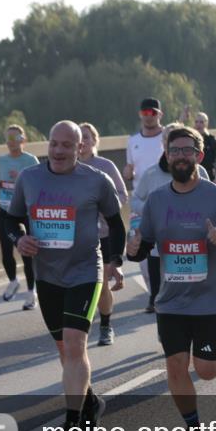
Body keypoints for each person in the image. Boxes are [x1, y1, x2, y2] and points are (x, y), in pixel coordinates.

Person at [127, 126, 216, 431]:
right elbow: (144, 244)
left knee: (206, 370)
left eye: (187, 151)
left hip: (210, 298)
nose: (180, 156)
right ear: (167, 156)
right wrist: (134, 250)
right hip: (171, 300)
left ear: (199, 155)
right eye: (175, 151)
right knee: (176, 365)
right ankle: (193, 429)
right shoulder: (156, 200)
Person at [5, 121, 126, 431]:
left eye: (67, 145)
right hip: (47, 276)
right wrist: (19, 239)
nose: (58, 151)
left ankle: (72, 427)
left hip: (85, 272)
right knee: (65, 350)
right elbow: (10, 218)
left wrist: (115, 260)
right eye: (54, 144)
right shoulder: (29, 178)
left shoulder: (96, 181)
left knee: (74, 345)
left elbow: (116, 224)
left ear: (80, 148)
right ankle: (90, 402)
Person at [132, 125, 211, 319]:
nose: (179, 153)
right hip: (161, 241)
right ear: (165, 147)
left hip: (191, 241)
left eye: (185, 148)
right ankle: (157, 304)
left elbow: (209, 199)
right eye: (172, 145)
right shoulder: (151, 174)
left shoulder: (200, 171)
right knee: (161, 287)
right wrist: (151, 211)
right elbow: (135, 199)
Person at [79, 123, 129, 345]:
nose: (83, 141)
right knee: (82, 284)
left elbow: (122, 194)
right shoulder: (67, 167)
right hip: (77, 236)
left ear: (95, 140)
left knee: (101, 284)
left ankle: (106, 326)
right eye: (79, 137)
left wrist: (104, 207)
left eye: (87, 137)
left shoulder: (105, 166)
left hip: (104, 233)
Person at [123, 97, 168, 312]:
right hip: (141, 203)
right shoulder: (133, 141)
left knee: (166, 251)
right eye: (145, 113)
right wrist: (127, 172)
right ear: (140, 115)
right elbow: (130, 168)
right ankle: (154, 293)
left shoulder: (168, 137)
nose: (148, 116)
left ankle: (159, 297)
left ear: (160, 115)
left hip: (167, 202)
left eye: (152, 113)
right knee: (143, 255)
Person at [0, 124, 39, 310]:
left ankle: (31, 293)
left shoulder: (31, 160)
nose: (11, 142)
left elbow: (39, 184)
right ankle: (13, 281)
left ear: (23, 140)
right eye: (8, 138)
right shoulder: (1, 160)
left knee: (27, 252)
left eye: (15, 138)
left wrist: (20, 178)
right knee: (6, 251)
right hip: (6, 210)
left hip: (26, 211)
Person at [192, 112, 216, 182]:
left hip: (208, 177)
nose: (198, 124)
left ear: (206, 124)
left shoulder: (212, 140)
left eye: (201, 122)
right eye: (196, 122)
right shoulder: (190, 139)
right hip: (192, 177)